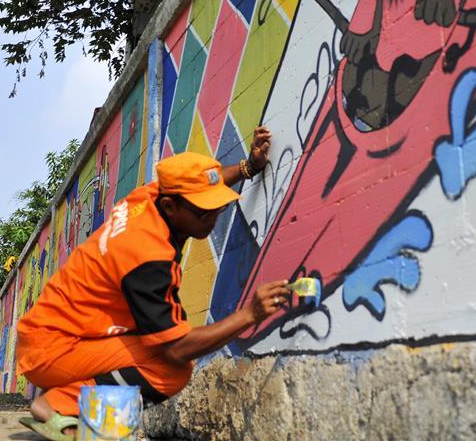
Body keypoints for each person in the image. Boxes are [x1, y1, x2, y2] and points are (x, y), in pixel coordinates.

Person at [16, 126, 290, 440]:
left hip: (49, 335)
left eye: (218, 207)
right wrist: (250, 315)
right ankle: (59, 405)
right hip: (53, 350)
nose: (213, 217)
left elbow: (199, 189)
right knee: (171, 369)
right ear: (172, 207)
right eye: (205, 212)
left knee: (164, 342)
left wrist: (247, 168)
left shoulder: (148, 199)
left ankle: (61, 399)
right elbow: (176, 351)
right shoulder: (148, 259)